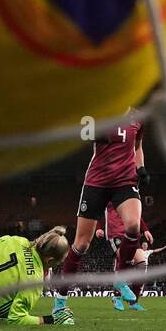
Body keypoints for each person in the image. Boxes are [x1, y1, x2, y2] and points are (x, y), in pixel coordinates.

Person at [59, 108, 149, 309]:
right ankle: (60, 301)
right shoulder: (100, 110)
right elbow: (82, 132)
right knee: (81, 244)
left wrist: (140, 168)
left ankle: (120, 279)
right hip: (97, 182)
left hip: (125, 182)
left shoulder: (139, 117)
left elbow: (137, 146)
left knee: (133, 225)